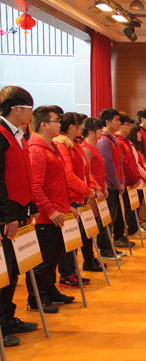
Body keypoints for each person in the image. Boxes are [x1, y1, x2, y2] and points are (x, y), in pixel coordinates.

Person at [27, 106, 77, 313]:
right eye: (56, 120)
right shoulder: (36, 150)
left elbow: (57, 182)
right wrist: (50, 210)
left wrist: (67, 206)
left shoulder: (52, 147)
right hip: (46, 217)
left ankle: (50, 290)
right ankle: (37, 298)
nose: (60, 123)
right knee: (43, 261)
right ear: (44, 125)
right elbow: (35, 187)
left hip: (59, 214)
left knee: (54, 258)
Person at [0, 86, 39, 346]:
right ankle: (2, 325)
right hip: (7, 214)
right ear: (16, 109)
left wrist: (32, 205)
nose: (31, 115)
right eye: (29, 109)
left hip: (20, 209)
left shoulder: (20, 135)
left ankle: (8, 316)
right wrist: (6, 215)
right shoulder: (1, 135)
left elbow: (25, 173)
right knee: (5, 271)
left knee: (15, 269)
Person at [53, 113, 99, 291]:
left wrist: (91, 187)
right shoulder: (63, 145)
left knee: (75, 239)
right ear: (72, 127)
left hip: (81, 196)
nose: (82, 127)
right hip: (72, 198)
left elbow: (86, 170)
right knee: (69, 239)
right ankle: (66, 274)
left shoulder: (76, 144)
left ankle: (71, 271)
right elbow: (68, 175)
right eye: (80, 125)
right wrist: (87, 190)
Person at [80, 118, 122, 260]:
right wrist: (97, 188)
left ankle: (100, 251)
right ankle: (90, 257)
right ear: (92, 131)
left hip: (100, 191)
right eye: (99, 129)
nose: (102, 132)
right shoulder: (85, 148)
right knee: (91, 226)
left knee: (102, 221)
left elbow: (101, 169)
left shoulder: (95, 146)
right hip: (92, 193)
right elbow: (87, 172)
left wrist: (104, 185)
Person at [97, 109, 135, 249]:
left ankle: (110, 244)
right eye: (117, 120)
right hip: (110, 185)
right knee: (107, 219)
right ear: (107, 122)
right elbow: (108, 165)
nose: (119, 123)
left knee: (113, 217)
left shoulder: (112, 139)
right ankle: (105, 247)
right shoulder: (104, 141)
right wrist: (118, 183)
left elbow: (118, 163)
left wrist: (122, 181)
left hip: (116, 184)